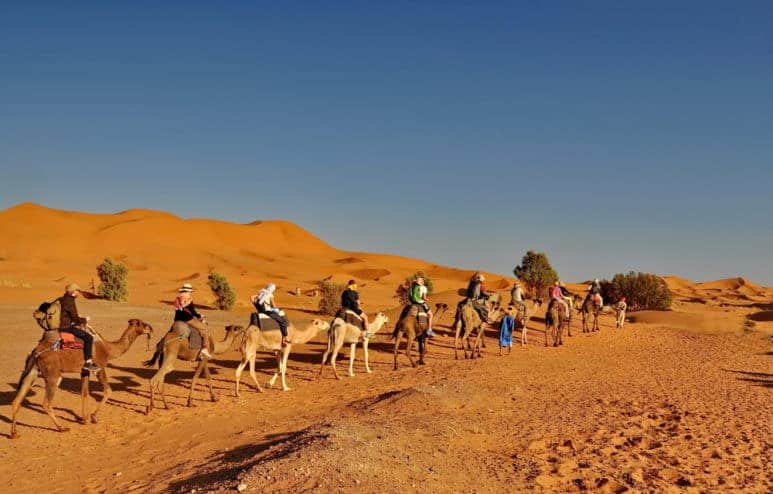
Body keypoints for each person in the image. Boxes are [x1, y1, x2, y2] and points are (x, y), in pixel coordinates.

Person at [58, 283, 99, 372]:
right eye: (77, 291)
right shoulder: (70, 301)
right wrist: (84, 320)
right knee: (89, 337)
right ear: (73, 291)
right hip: (66, 327)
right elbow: (75, 318)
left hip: (60, 325)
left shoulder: (62, 299)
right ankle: (88, 362)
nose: (78, 293)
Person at [173, 284, 212, 359]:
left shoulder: (177, 298)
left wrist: (197, 315)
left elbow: (181, 310)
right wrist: (199, 316)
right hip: (187, 319)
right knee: (204, 328)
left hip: (177, 319)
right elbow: (192, 311)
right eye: (190, 291)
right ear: (187, 291)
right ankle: (204, 348)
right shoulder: (188, 299)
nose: (190, 293)